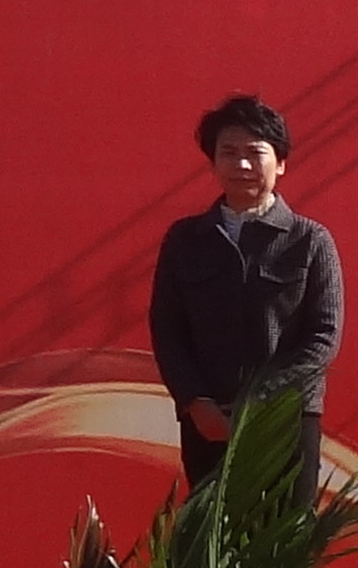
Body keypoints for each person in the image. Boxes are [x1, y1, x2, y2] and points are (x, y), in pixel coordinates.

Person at [147, 94, 345, 494]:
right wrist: (196, 402)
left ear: (280, 162)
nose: (241, 165)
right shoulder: (186, 240)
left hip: (285, 420)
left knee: (287, 530)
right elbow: (167, 329)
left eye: (255, 153)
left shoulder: (310, 241)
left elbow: (323, 336)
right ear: (212, 163)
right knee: (214, 529)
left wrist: (263, 403)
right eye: (229, 153)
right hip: (210, 424)